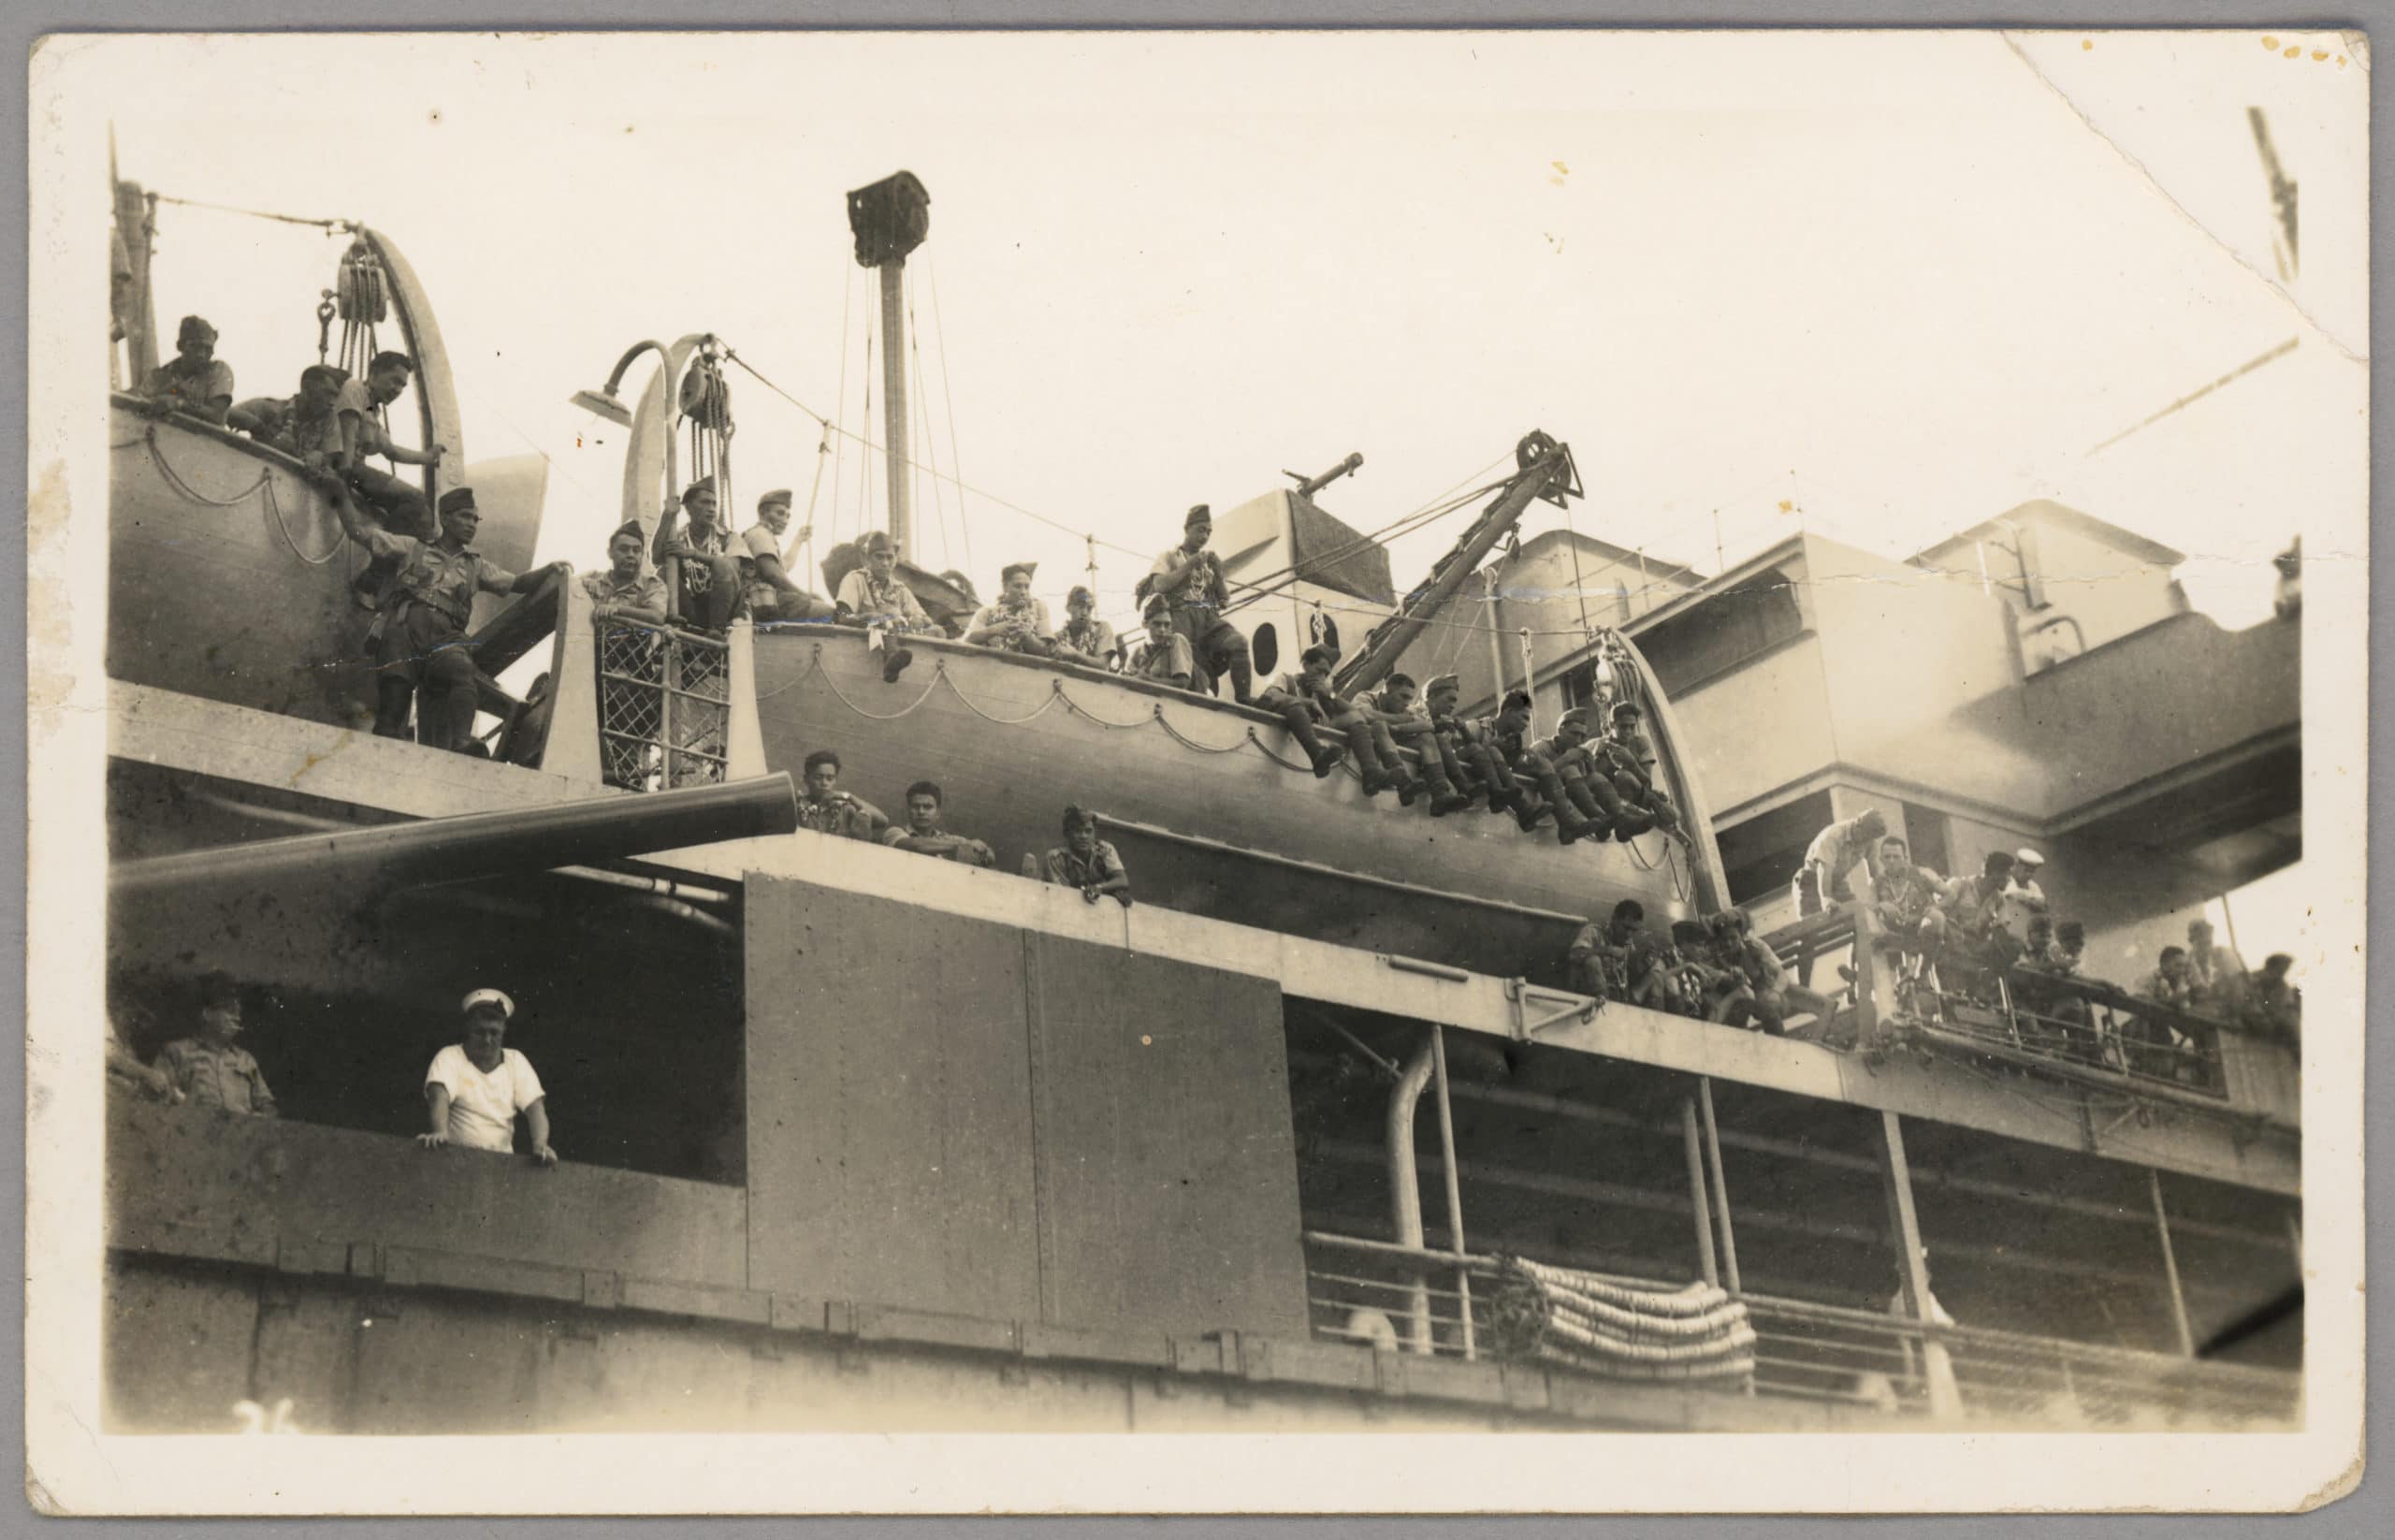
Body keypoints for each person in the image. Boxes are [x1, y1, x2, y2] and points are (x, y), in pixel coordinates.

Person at [331, 483, 571, 752]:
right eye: (464, 516)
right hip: (404, 629)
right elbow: (359, 532)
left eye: (475, 519)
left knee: (461, 671)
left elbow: (516, 583)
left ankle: (462, 742)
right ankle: (382, 746)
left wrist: (549, 569)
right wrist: (339, 493)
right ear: (445, 518)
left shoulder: (476, 565)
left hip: (445, 637)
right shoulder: (411, 547)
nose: (472, 524)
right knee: (395, 694)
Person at [418, 989, 555, 1166]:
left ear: (504, 1030)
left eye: (494, 1032)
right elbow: (439, 1097)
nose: (487, 1040)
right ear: (468, 1028)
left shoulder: (516, 1061)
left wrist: (540, 1144)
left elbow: (535, 1108)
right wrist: (440, 1131)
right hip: (455, 1159)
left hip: (501, 1163)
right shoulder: (449, 1056)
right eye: (480, 1032)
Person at [1144, 504, 1254, 704]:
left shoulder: (1208, 563)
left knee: (1238, 643)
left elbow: (1224, 601)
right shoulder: (1169, 557)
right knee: (1197, 675)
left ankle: (1245, 699)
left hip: (1208, 620)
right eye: (1200, 530)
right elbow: (1159, 584)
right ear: (1187, 529)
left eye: (1209, 532)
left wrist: (1218, 572)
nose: (1205, 537)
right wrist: (1189, 565)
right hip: (1181, 618)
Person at [333, 351, 445, 539]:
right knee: (414, 499)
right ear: (375, 373)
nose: (397, 389)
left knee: (408, 509)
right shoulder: (355, 389)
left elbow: (392, 451)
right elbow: (348, 431)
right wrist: (345, 470)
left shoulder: (372, 409)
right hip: (345, 464)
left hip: (354, 469)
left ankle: (399, 551)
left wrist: (428, 457)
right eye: (394, 380)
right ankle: (390, 558)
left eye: (402, 385)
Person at [155, 970, 276, 1117]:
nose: (237, 1018)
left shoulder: (246, 1059)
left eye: (239, 1013)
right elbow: (159, 1099)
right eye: (230, 1011)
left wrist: (261, 1116)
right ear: (207, 1014)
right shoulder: (176, 1052)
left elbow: (268, 1107)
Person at [1474, 690, 1585, 842]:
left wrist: (1527, 759)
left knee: (1542, 763)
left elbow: (1513, 767)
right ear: (1509, 711)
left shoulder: (1514, 739)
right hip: (1481, 787)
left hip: (1502, 785)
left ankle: (1566, 822)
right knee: (1493, 750)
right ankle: (1526, 809)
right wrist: (1491, 746)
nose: (1526, 724)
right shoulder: (1478, 727)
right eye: (1524, 718)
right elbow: (1459, 752)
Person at [834, 530, 936, 682]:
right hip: (870, 635)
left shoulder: (899, 588)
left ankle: (913, 666)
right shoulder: (855, 579)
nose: (885, 563)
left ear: (895, 560)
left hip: (900, 633)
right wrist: (868, 617)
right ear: (867, 559)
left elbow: (926, 619)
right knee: (887, 618)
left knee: (938, 631)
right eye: (879, 557)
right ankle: (891, 660)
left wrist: (918, 619)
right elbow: (842, 617)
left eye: (890, 557)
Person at [1419, 674, 1527, 816]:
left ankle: (1497, 793)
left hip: (1444, 761)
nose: (1453, 705)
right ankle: (1468, 787)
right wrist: (1436, 726)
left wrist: (1462, 729)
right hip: (1426, 761)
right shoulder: (1415, 712)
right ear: (1431, 697)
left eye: (1455, 701)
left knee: (1476, 748)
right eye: (1449, 699)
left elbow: (1466, 748)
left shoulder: (1447, 720)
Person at [1365, 675, 1473, 815]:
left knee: (1427, 738)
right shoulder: (1367, 697)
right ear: (1387, 691)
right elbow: (1363, 714)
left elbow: (1427, 726)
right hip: (1370, 743)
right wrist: (1402, 720)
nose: (1406, 703)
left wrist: (1397, 727)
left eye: (1409, 698)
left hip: (1393, 743)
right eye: (1403, 697)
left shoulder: (1406, 710)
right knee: (1380, 726)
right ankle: (1403, 781)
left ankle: (1440, 793)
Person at [650, 475, 746, 632]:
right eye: (705, 502)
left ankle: (716, 631)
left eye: (714, 503)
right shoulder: (678, 537)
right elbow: (656, 558)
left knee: (721, 563)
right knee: (665, 572)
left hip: (725, 611)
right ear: (688, 508)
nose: (711, 509)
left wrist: (692, 554)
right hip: (693, 610)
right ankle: (690, 629)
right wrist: (667, 516)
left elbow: (730, 569)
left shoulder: (729, 538)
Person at [1587, 701, 1686, 843]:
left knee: (1623, 776)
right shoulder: (1597, 745)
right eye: (1623, 726)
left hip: (1637, 798)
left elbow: (1647, 782)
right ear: (1613, 724)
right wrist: (1595, 756)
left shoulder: (1640, 742)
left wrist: (1631, 763)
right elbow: (1589, 779)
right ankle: (1620, 824)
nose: (1628, 731)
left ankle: (1622, 822)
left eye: (1632, 726)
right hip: (1608, 800)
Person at [739, 489, 837, 623]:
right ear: (763, 513)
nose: (785, 520)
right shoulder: (760, 534)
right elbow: (773, 574)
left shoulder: (762, 535)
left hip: (766, 600)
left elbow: (784, 564)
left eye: (787, 516)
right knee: (828, 613)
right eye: (780, 513)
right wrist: (805, 596)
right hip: (762, 602)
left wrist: (798, 540)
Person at [1254, 646, 1352, 777]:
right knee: (1295, 705)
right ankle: (1317, 754)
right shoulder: (1285, 679)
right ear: (1305, 665)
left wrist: (1329, 696)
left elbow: (1354, 715)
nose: (1321, 678)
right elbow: (1273, 697)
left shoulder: (1320, 696)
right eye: (1319, 670)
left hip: (1295, 757)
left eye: (1326, 674)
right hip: (1276, 741)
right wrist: (1308, 702)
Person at [226, 363, 346, 460]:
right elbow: (226, 412)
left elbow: (332, 460)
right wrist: (259, 428)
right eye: (328, 394)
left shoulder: (329, 421)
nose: (332, 402)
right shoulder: (274, 409)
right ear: (307, 390)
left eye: (335, 396)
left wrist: (321, 458)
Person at [1529, 707, 1615, 836]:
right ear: (1561, 730)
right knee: (1570, 769)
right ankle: (1598, 817)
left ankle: (1602, 820)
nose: (1579, 741)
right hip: (1544, 801)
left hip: (1568, 801)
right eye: (1574, 734)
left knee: (1596, 777)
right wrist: (1566, 759)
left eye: (1582, 736)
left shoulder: (1577, 753)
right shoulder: (1541, 748)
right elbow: (1533, 780)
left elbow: (1582, 789)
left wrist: (1591, 767)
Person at [139, 314, 236, 426]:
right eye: (195, 347)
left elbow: (218, 416)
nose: (201, 354)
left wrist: (179, 403)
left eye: (208, 349)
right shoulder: (160, 375)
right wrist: (174, 390)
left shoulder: (218, 370)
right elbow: (140, 403)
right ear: (180, 346)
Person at [1793, 807, 1887, 918]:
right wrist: (1826, 899)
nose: (1865, 843)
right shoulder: (1833, 836)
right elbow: (1824, 870)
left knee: (1857, 914)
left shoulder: (1869, 840)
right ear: (1857, 825)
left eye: (1869, 839)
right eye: (1865, 837)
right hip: (1812, 880)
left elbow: (1874, 873)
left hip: (1838, 882)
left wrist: (1880, 900)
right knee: (1814, 922)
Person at [880, 780, 997, 867]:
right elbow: (917, 845)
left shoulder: (949, 839)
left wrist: (983, 851)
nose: (921, 812)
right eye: (916, 806)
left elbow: (988, 856)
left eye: (927, 807)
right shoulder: (894, 832)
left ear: (938, 813)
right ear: (908, 809)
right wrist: (958, 847)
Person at [583, 519, 671, 626]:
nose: (631, 555)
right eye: (624, 549)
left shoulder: (653, 585)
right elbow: (569, 588)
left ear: (642, 554)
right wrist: (563, 570)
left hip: (634, 642)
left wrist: (618, 609)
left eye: (636, 550)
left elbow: (657, 616)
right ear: (610, 553)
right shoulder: (593, 579)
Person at [1044, 805, 1133, 908]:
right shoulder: (1056, 857)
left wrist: (1099, 887)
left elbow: (1122, 880)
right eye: (1078, 831)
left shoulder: (1105, 849)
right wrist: (1107, 890)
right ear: (1067, 834)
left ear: (1094, 833)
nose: (1083, 836)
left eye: (1088, 831)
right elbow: (1062, 896)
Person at [964, 561, 1057, 656]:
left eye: (1027, 587)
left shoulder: (1039, 608)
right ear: (1005, 587)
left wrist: (1026, 636)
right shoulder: (987, 612)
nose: (1023, 592)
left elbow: (1047, 651)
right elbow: (966, 642)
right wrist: (993, 630)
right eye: (1018, 586)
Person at [1566, 899, 1650, 1003]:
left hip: (1615, 999)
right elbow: (1574, 954)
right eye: (1626, 927)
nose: (1629, 934)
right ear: (1614, 919)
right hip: (1587, 997)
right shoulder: (1593, 931)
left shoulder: (1628, 943)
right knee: (1593, 961)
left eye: (1633, 930)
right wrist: (1607, 950)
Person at [796, 748, 890, 841]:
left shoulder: (844, 808)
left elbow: (883, 821)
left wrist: (848, 796)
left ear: (835, 780)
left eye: (830, 778)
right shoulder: (796, 806)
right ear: (806, 779)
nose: (824, 783)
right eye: (818, 777)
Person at [1130, 595, 1200, 690]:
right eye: (1157, 624)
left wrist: (1146, 680)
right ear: (1144, 624)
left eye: (1167, 625)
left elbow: (1183, 684)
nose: (1162, 630)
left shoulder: (1176, 641)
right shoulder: (1138, 651)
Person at [2184, 917, 2248, 1019]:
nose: (2206, 948)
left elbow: (2238, 989)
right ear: (2191, 941)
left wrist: (2235, 1016)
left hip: (2229, 1009)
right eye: (2200, 943)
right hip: (2203, 1013)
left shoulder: (2224, 954)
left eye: (2208, 942)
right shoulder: (2187, 961)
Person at [1052, 587, 1119, 671]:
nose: (1085, 613)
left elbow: (1102, 665)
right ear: (1069, 607)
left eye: (1089, 608)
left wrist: (1075, 654)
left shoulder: (1101, 628)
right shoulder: (1058, 637)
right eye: (1081, 607)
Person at [2243, 953, 2301, 1039]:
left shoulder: (2282, 986)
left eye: (2286, 968)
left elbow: (2285, 1005)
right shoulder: (2251, 979)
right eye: (2283, 968)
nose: (2285, 971)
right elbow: (2244, 1001)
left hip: (2270, 1019)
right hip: (2253, 1018)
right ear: (2272, 966)